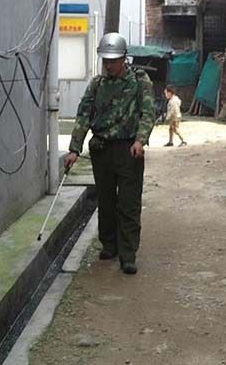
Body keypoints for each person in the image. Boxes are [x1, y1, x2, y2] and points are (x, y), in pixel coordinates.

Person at [64, 32, 155, 275]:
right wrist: (74, 149)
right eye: (106, 60)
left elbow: (148, 112)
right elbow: (83, 115)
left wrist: (140, 140)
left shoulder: (139, 81)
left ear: (124, 58)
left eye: (113, 60)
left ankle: (128, 254)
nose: (109, 65)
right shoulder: (97, 84)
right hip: (102, 150)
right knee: (105, 201)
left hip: (128, 150)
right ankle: (109, 244)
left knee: (128, 203)